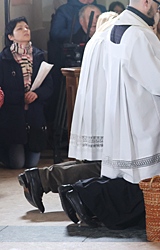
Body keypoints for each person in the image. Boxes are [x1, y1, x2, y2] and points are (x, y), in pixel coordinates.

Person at [58, 0, 160, 229]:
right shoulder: (138, 34)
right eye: (158, 6)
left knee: (130, 177)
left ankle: (83, 195)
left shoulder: (117, 28)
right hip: (142, 116)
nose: (158, 12)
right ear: (146, 0)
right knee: (145, 180)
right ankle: (84, 194)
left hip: (123, 112)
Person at [18, 12, 118, 214]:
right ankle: (53, 184)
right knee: (108, 168)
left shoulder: (95, 43)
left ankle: (41, 178)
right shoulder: (108, 44)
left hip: (95, 115)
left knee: (103, 166)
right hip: (105, 116)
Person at [0, 17, 53, 170]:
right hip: (13, 116)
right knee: (18, 164)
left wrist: (36, 94)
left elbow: (49, 86)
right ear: (10, 36)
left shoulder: (38, 56)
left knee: (31, 164)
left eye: (27, 27)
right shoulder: (4, 59)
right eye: (20, 28)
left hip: (34, 114)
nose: (26, 30)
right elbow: (1, 89)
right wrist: (20, 98)